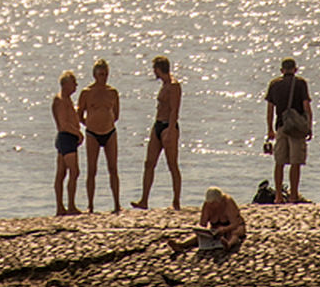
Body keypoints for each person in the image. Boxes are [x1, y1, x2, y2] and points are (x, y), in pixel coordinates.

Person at [131, 55, 182, 210]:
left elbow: (174, 110)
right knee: (149, 163)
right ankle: (144, 200)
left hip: (168, 126)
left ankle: (176, 201)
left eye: (155, 69)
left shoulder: (173, 86)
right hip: (158, 125)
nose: (154, 72)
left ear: (159, 69)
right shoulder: (164, 84)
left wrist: (171, 130)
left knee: (172, 164)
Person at [264, 57, 313, 204]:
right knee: (295, 162)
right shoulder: (300, 83)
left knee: (279, 162)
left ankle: (278, 196)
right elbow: (306, 107)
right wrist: (309, 126)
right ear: (295, 69)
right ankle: (293, 195)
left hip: (281, 125)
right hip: (296, 127)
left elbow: (270, 109)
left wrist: (270, 129)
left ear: (282, 70)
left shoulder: (274, 84)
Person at [78, 58, 121, 213]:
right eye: (101, 74)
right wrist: (89, 123)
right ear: (95, 75)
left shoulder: (112, 92)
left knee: (113, 169)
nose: (103, 77)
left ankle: (117, 204)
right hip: (92, 134)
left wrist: (106, 121)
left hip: (109, 132)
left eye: (106, 74)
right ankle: (90, 205)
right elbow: (79, 114)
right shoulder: (87, 93)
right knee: (91, 169)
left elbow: (116, 114)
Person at [167, 188, 246, 255]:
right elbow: (203, 224)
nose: (211, 205)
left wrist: (224, 229)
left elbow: (235, 223)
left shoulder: (228, 203)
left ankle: (229, 245)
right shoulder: (207, 205)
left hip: (232, 227)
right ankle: (182, 245)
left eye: (213, 203)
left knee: (235, 233)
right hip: (216, 230)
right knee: (199, 236)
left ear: (219, 201)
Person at [52, 71, 83, 216]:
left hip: (68, 139)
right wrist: (78, 133)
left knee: (62, 173)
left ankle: (62, 207)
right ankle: (68, 206)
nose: (76, 85)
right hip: (66, 138)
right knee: (74, 171)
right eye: (73, 82)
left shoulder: (68, 99)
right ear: (66, 84)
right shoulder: (60, 100)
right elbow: (63, 124)